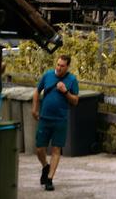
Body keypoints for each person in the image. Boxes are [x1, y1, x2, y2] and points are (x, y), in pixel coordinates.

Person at [32, 53, 79, 192]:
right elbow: (36, 91)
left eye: (62, 66)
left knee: (56, 149)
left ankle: (50, 179)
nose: (58, 68)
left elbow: (75, 101)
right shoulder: (47, 75)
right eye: (57, 65)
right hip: (45, 118)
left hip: (60, 120)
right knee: (39, 149)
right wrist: (34, 108)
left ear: (67, 67)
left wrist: (65, 92)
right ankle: (45, 166)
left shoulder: (72, 80)